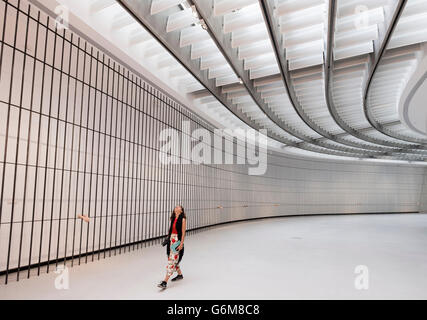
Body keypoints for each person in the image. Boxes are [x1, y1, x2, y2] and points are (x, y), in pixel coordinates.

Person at [157, 205, 186, 289]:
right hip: (171, 239)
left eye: (178, 207)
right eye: (175, 207)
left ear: (181, 210)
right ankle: (180, 275)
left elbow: (183, 233)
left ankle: (165, 281)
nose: (176, 208)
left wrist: (181, 244)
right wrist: (168, 238)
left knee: (172, 260)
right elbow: (170, 230)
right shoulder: (173, 219)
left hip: (177, 241)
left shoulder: (183, 219)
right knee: (172, 258)